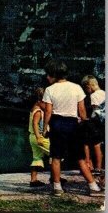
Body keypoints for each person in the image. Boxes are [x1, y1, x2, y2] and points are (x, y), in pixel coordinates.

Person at [42, 59, 101, 196]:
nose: (47, 77)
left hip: (57, 123)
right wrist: (84, 123)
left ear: (54, 75)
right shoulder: (76, 87)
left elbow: (48, 112)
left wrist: (45, 127)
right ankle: (93, 186)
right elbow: (82, 110)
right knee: (80, 157)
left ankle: (57, 187)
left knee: (56, 157)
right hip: (73, 124)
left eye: (49, 75)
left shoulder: (49, 90)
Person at [81, 75, 105, 182]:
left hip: (97, 123)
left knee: (92, 144)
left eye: (86, 89)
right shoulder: (104, 92)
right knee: (99, 145)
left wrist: (86, 119)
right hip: (104, 123)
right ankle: (99, 168)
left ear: (89, 86)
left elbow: (96, 112)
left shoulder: (94, 96)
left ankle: (94, 166)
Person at [28, 87, 50, 187]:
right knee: (56, 154)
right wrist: (38, 137)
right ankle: (55, 176)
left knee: (37, 158)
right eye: (46, 103)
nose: (47, 106)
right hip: (39, 137)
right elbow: (35, 124)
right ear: (39, 101)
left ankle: (33, 180)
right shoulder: (38, 111)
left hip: (32, 137)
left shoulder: (34, 109)